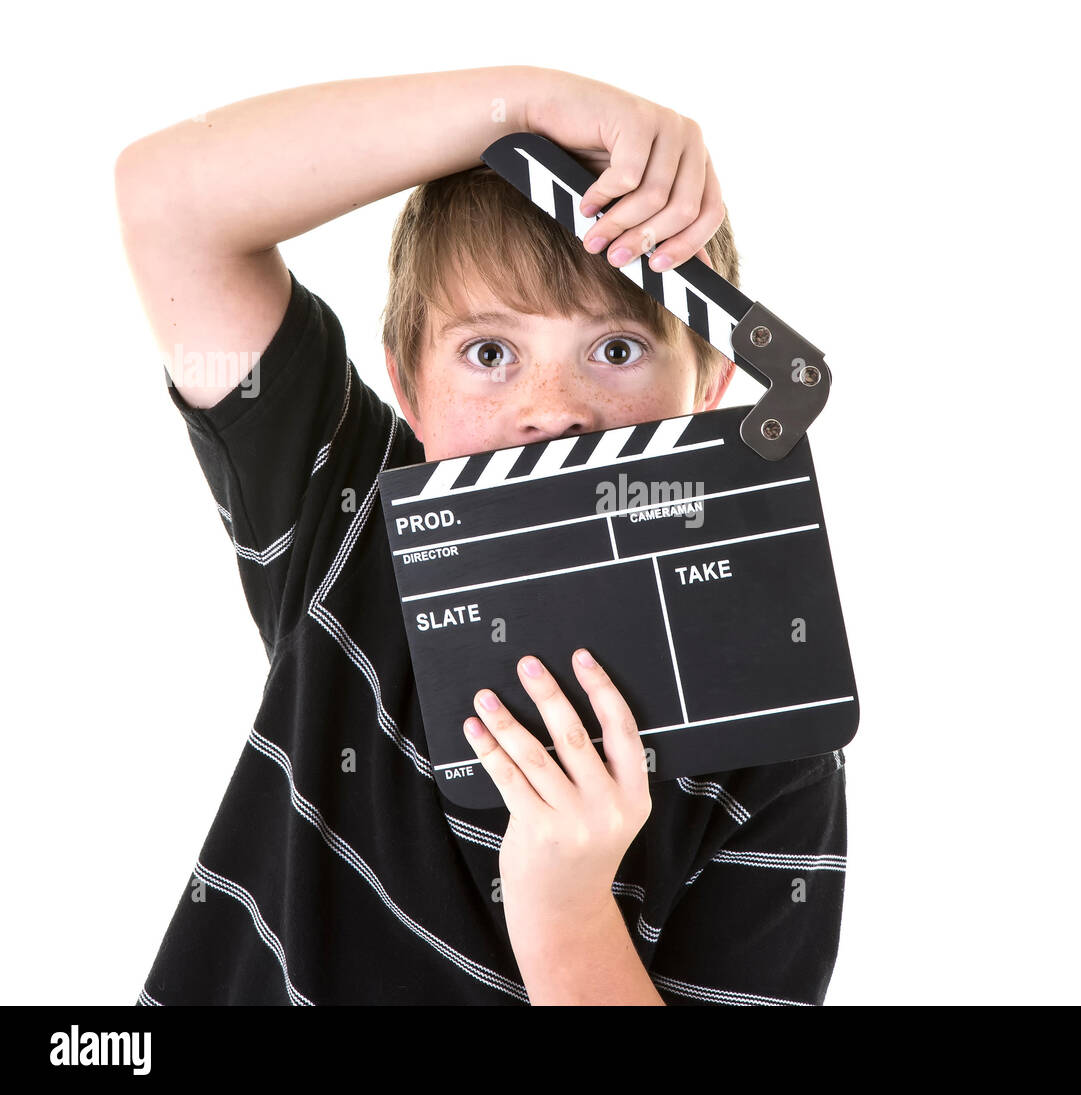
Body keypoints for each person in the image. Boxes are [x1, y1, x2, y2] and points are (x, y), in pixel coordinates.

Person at [115, 64, 847, 1005]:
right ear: (410, 388)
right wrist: (527, 108)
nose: (554, 410)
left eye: (616, 349)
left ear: (708, 393)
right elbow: (169, 205)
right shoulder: (349, 524)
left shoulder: (771, 729)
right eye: (490, 353)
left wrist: (565, 911)